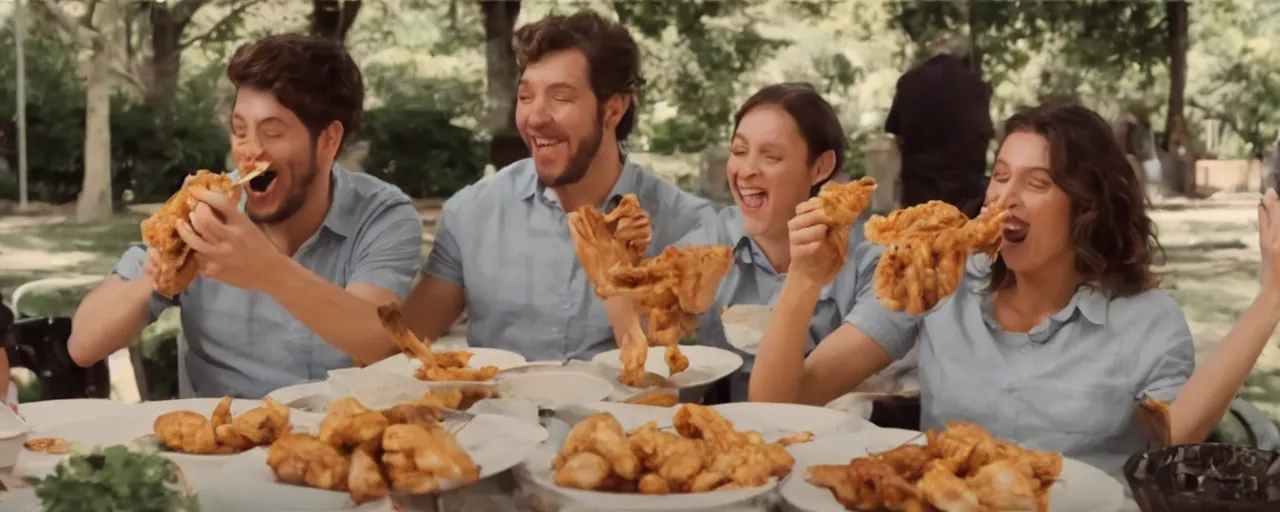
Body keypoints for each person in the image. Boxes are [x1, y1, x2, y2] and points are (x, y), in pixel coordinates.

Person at [750, 102, 1280, 475]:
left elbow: (1178, 436)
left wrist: (1271, 297)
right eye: (1000, 175)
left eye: (1037, 183)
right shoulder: (942, 283)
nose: (1004, 198)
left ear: (1087, 206)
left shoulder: (1146, 319)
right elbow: (780, 400)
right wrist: (805, 277)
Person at [67, 35, 423, 399]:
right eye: (240, 131)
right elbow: (83, 345)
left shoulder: (382, 215)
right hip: (216, 447)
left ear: (329, 141)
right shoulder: (206, 211)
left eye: (272, 132)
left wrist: (266, 270)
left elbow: (383, 344)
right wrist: (159, 273)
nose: (250, 150)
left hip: (334, 443)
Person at [402, 11, 713, 362]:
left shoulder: (688, 228)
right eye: (525, 97)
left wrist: (622, 275)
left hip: (629, 415)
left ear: (613, 110)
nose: (535, 118)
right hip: (497, 415)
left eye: (561, 97)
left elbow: (677, 374)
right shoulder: (473, 212)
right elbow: (403, 345)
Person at [674, 83, 916, 402]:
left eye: (770, 156)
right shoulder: (710, 242)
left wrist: (804, 276)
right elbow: (641, 353)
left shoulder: (884, 268)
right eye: (739, 151)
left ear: (820, 168)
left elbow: (780, 404)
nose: (746, 171)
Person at [885, 43, 993, 218]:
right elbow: (985, 134)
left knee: (918, 240)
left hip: (919, 189)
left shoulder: (909, 82)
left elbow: (897, 136)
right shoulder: (976, 85)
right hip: (965, 192)